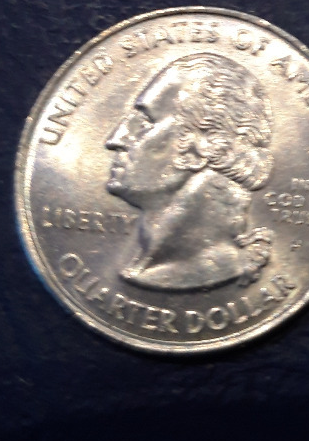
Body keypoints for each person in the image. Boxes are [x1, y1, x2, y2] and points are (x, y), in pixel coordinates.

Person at [105, 51, 275, 292]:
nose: (115, 139)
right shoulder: (148, 267)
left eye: (145, 122)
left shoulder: (211, 268)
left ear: (205, 142)